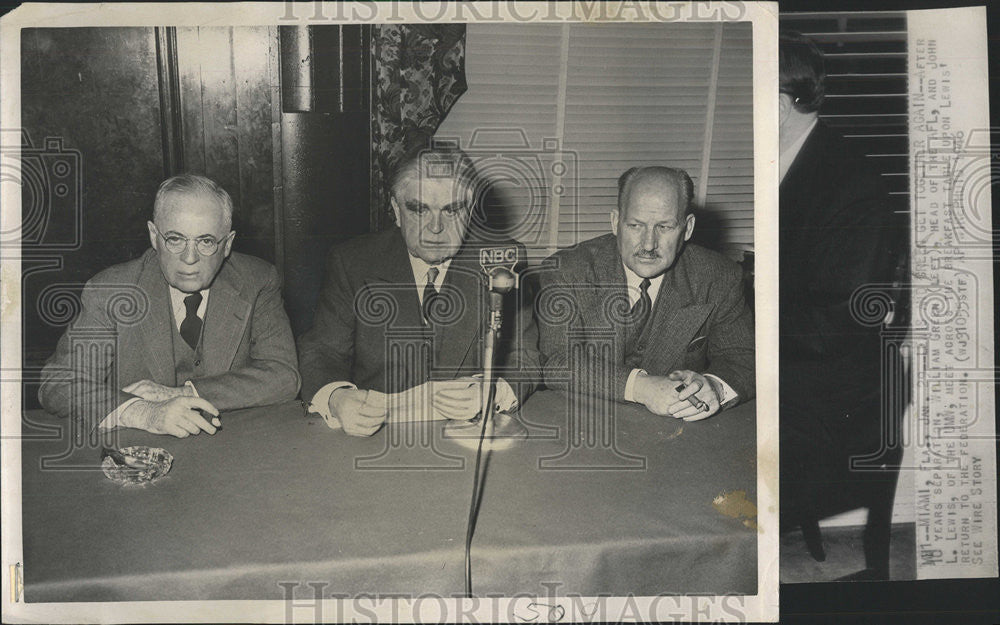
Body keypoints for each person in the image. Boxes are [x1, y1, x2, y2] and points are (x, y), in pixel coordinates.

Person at [297, 145, 539, 436]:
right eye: (419, 208)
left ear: (471, 208)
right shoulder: (352, 262)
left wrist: (492, 392)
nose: (435, 228)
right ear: (397, 210)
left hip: (470, 433)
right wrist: (338, 398)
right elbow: (323, 352)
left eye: (452, 210)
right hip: (376, 438)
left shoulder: (503, 259)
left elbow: (525, 356)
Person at [778, 31, 906, 580]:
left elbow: (841, 321)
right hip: (795, 372)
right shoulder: (783, 158)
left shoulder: (855, 183)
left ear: (780, 100)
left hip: (833, 401)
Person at [38, 174, 300, 438]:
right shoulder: (112, 291)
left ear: (228, 243)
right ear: (154, 236)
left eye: (206, 241)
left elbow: (284, 376)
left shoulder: (257, 280)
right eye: (175, 239)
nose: (189, 258)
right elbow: (58, 383)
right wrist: (145, 412)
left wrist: (184, 392)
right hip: (139, 452)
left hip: (232, 448)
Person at [537, 166, 754, 420]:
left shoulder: (718, 277)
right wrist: (642, 387)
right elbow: (556, 361)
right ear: (616, 222)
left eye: (664, 227)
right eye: (636, 225)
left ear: (687, 228)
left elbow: (743, 359)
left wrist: (715, 387)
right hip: (587, 425)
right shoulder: (568, 271)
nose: (649, 244)